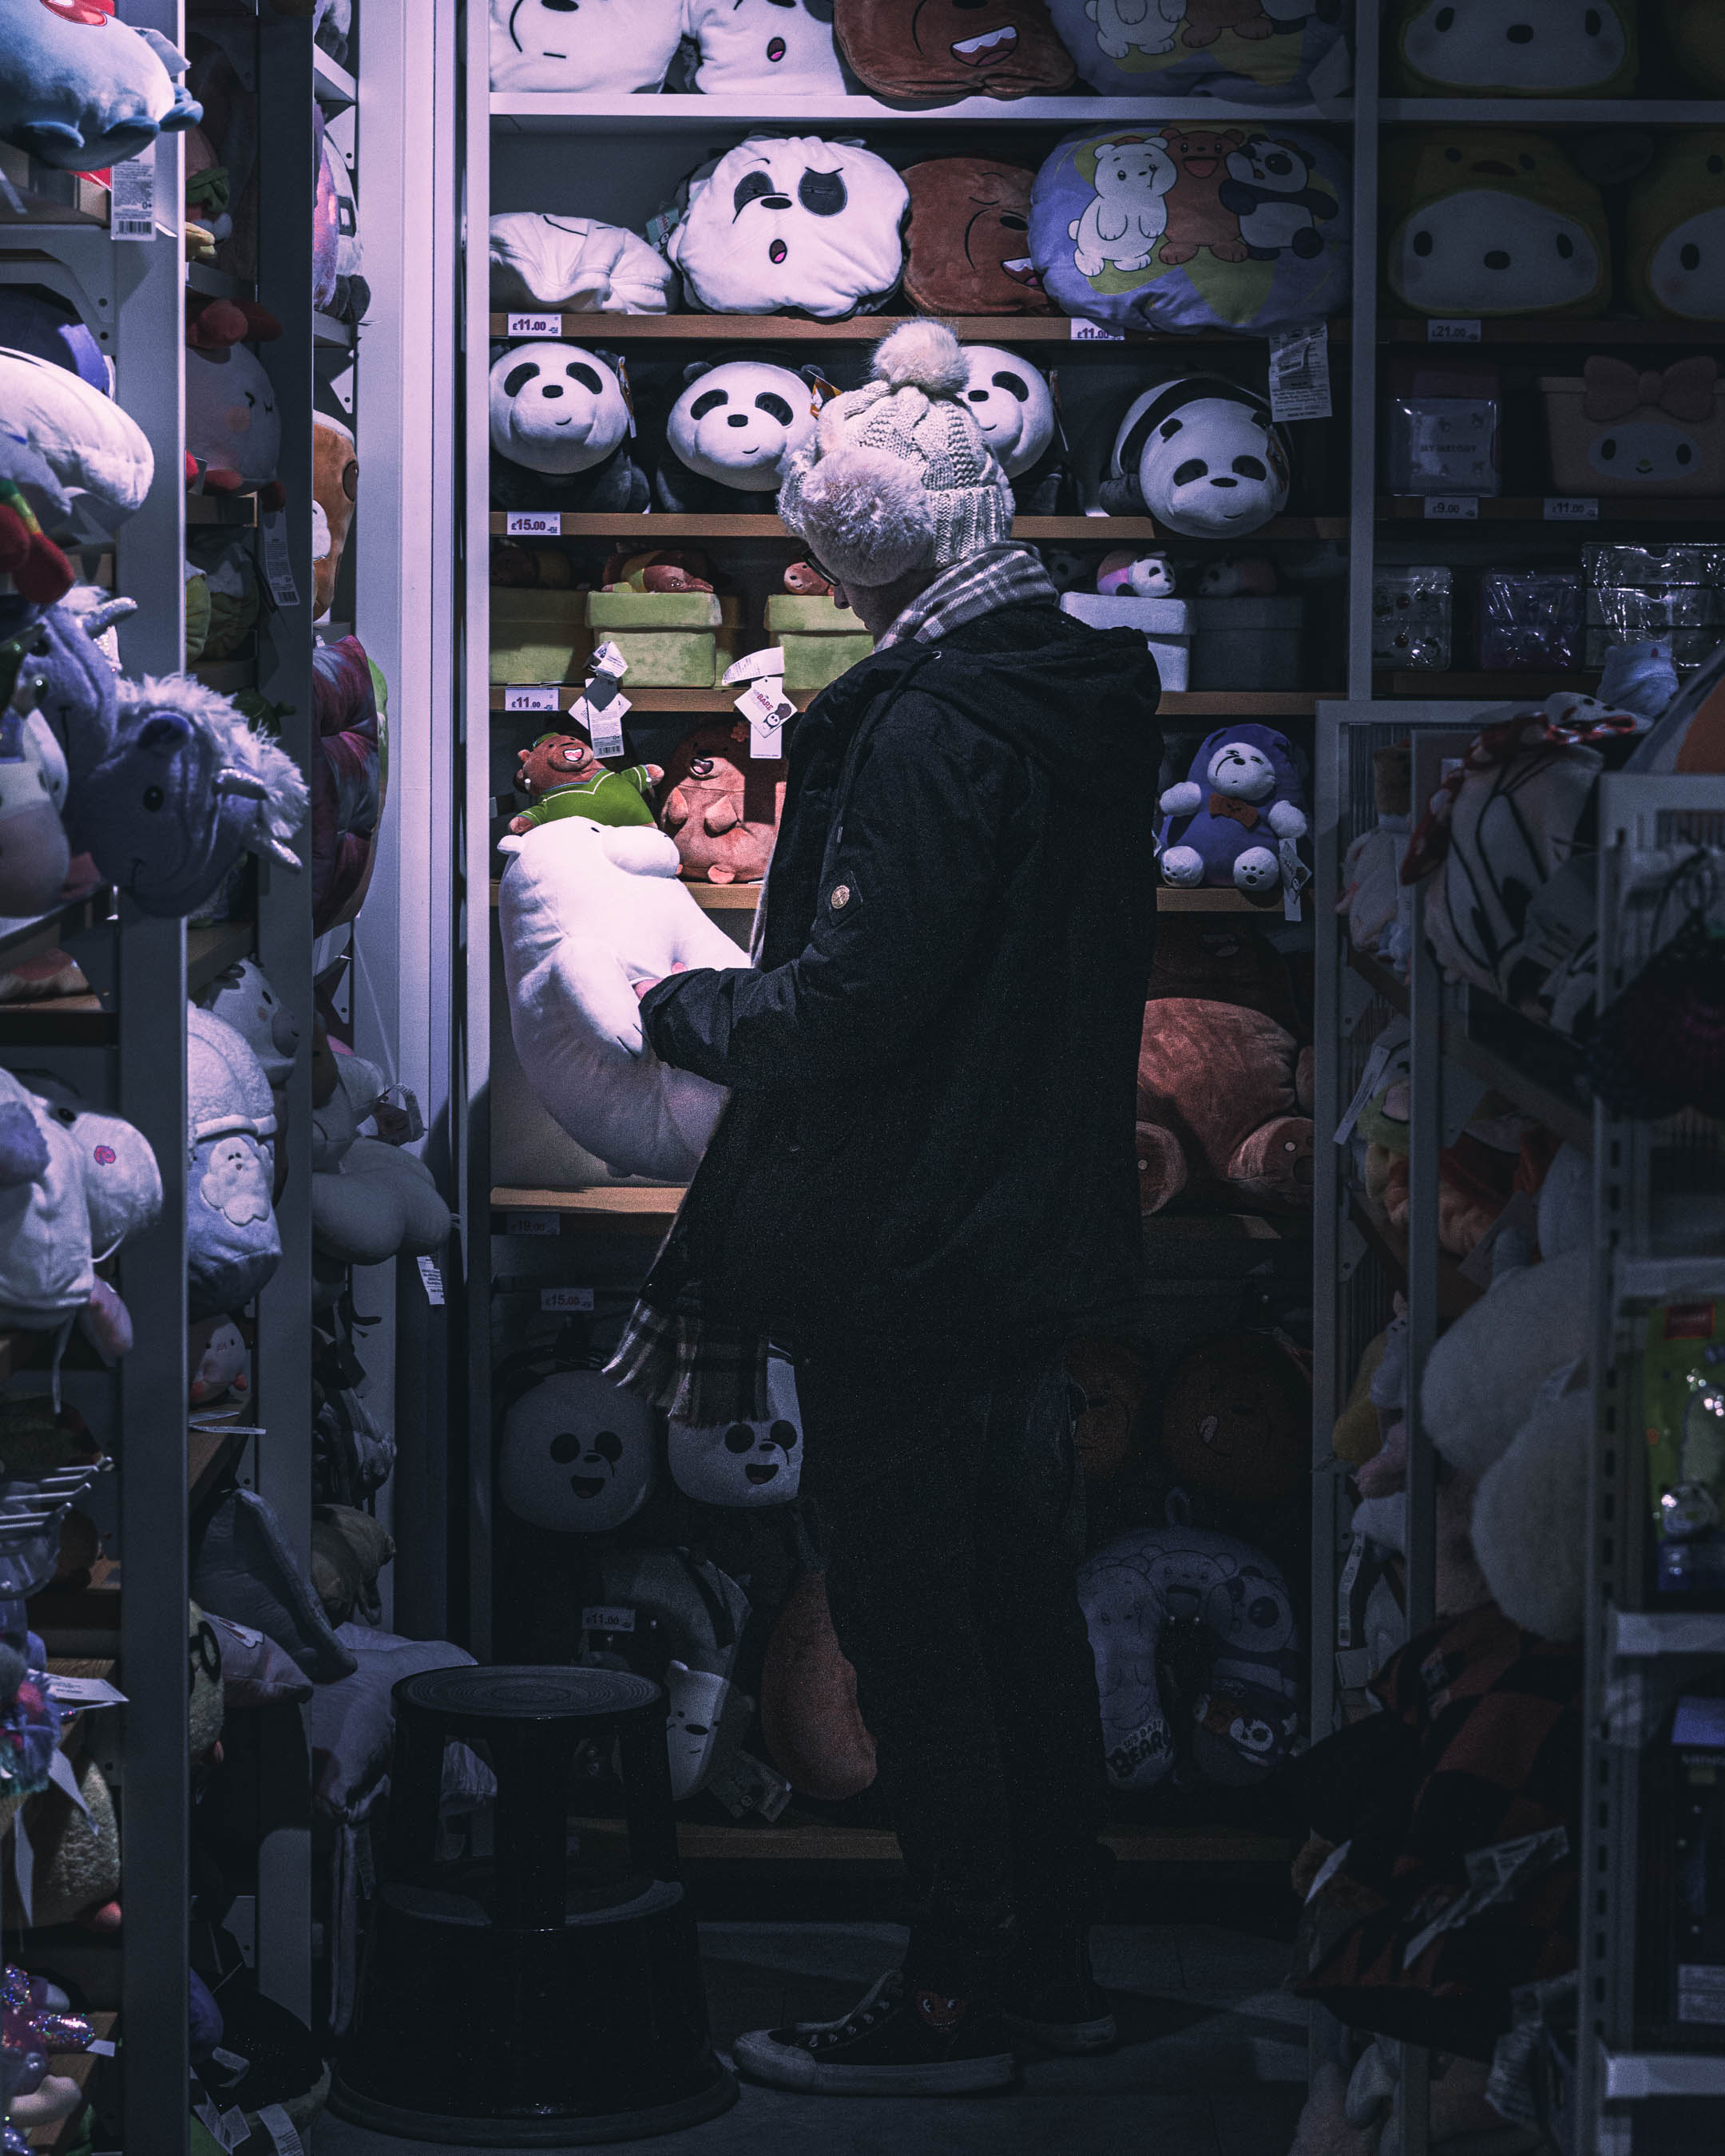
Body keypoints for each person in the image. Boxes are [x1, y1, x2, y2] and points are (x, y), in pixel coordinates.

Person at [607, 320, 1162, 2095]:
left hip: (910, 1235)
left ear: (857, 558)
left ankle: (952, 1998)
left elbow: (858, 1002)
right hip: (1020, 1219)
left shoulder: (933, 729)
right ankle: (1052, 1965)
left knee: (918, 1619)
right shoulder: (1065, 686)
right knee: (1016, 1604)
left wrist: (686, 1002)